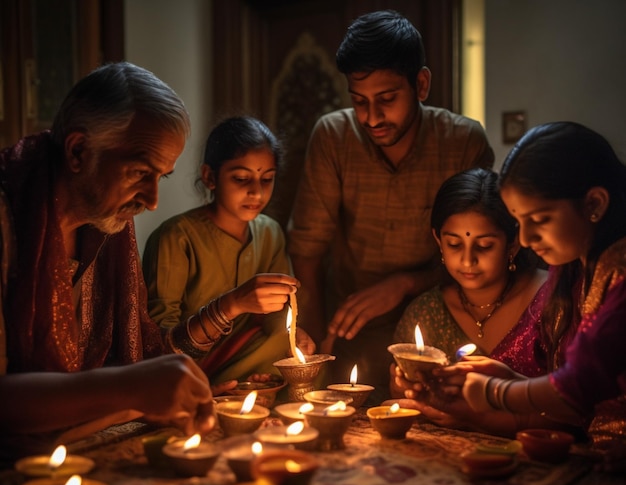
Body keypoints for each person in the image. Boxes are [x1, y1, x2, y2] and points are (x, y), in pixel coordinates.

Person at [0, 62, 230, 459]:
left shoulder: (107, 224)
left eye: (162, 177)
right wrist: (129, 388)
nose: (153, 199)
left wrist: (170, 383)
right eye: (140, 171)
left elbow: (141, 354)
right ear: (78, 151)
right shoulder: (8, 218)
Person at [287, 9, 494, 401]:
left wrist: (403, 285)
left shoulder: (461, 142)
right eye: (359, 101)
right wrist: (316, 355)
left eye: (386, 99)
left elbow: (479, 252)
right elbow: (307, 254)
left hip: (443, 318)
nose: (372, 116)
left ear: (421, 83)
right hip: (350, 325)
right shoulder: (333, 136)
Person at [402, 122, 626, 470]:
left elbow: (578, 389)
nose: (524, 240)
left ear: (594, 204)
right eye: (520, 221)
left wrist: (493, 391)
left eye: (540, 218)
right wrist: (512, 381)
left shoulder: (619, 270)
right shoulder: (580, 269)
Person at [143, 116, 315, 386]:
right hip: (188, 368)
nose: (256, 192)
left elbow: (280, 313)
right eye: (241, 178)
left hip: (250, 354)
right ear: (210, 177)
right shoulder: (176, 237)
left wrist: (293, 333)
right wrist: (232, 305)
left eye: (267, 179)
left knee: (305, 362)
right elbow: (157, 344)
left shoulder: (270, 233)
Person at [392, 167, 548, 381]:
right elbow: (400, 390)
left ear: (513, 244)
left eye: (484, 246)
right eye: (454, 244)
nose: (467, 260)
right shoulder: (427, 313)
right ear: (439, 240)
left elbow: (576, 397)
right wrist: (405, 387)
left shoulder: (552, 301)